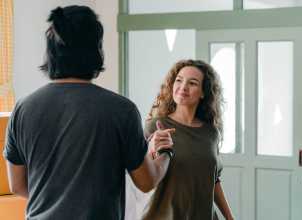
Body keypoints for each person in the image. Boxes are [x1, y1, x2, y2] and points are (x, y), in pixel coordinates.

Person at [3, 5, 175, 220]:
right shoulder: (121, 110)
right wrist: (165, 155)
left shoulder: (22, 109)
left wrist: (56, 198)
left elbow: (18, 185)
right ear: (96, 50)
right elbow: (146, 181)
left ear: (52, 51)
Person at [143, 59, 234, 220]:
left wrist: (230, 217)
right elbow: (142, 175)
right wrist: (151, 149)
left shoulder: (211, 133)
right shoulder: (156, 127)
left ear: (203, 92)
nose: (183, 87)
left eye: (192, 83)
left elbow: (214, 180)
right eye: (179, 80)